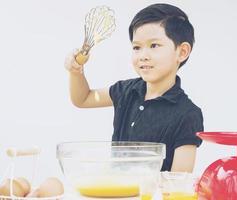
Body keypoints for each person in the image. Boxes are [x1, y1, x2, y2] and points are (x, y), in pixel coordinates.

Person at [64, 3, 203, 172]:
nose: (143, 56)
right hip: (117, 192)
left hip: (152, 195)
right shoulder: (126, 90)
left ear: (182, 52)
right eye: (137, 47)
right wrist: (75, 72)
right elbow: (83, 99)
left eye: (154, 46)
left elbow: (179, 181)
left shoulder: (188, 113)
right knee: (53, 184)